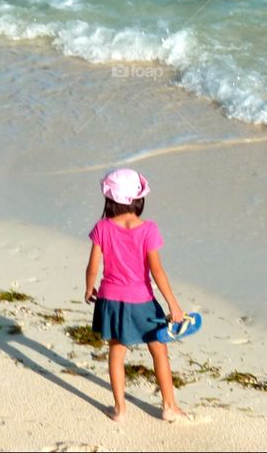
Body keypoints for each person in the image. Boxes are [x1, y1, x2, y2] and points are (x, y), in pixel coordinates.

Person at [84, 167, 187, 422]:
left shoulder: (102, 227)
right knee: (158, 350)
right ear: (138, 200)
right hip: (141, 300)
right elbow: (157, 272)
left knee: (117, 352)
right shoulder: (148, 229)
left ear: (110, 199)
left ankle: (119, 409)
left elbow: (93, 266)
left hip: (110, 298)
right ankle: (169, 406)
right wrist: (173, 306)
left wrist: (89, 288)